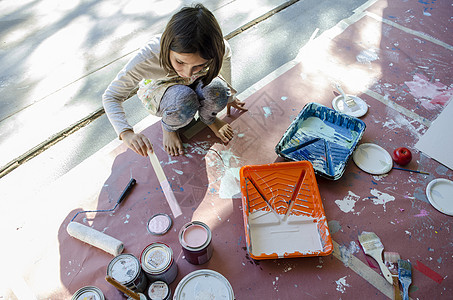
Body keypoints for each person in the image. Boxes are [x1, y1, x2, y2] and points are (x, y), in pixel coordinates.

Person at [103, 3, 247, 157]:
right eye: (180, 62)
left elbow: (225, 58)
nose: (186, 72)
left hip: (195, 82)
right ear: (167, 46)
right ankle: (169, 128)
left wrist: (229, 96)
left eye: (199, 65)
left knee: (219, 91)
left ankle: (208, 119)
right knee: (184, 98)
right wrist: (126, 133)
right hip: (160, 89)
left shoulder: (218, 47)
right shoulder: (148, 56)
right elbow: (111, 96)